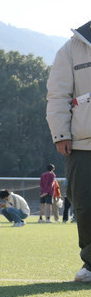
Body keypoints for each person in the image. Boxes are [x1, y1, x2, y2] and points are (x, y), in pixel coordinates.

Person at [47, 20, 91, 282]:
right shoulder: (71, 49)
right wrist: (61, 133)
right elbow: (57, 94)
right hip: (82, 142)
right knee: (85, 206)